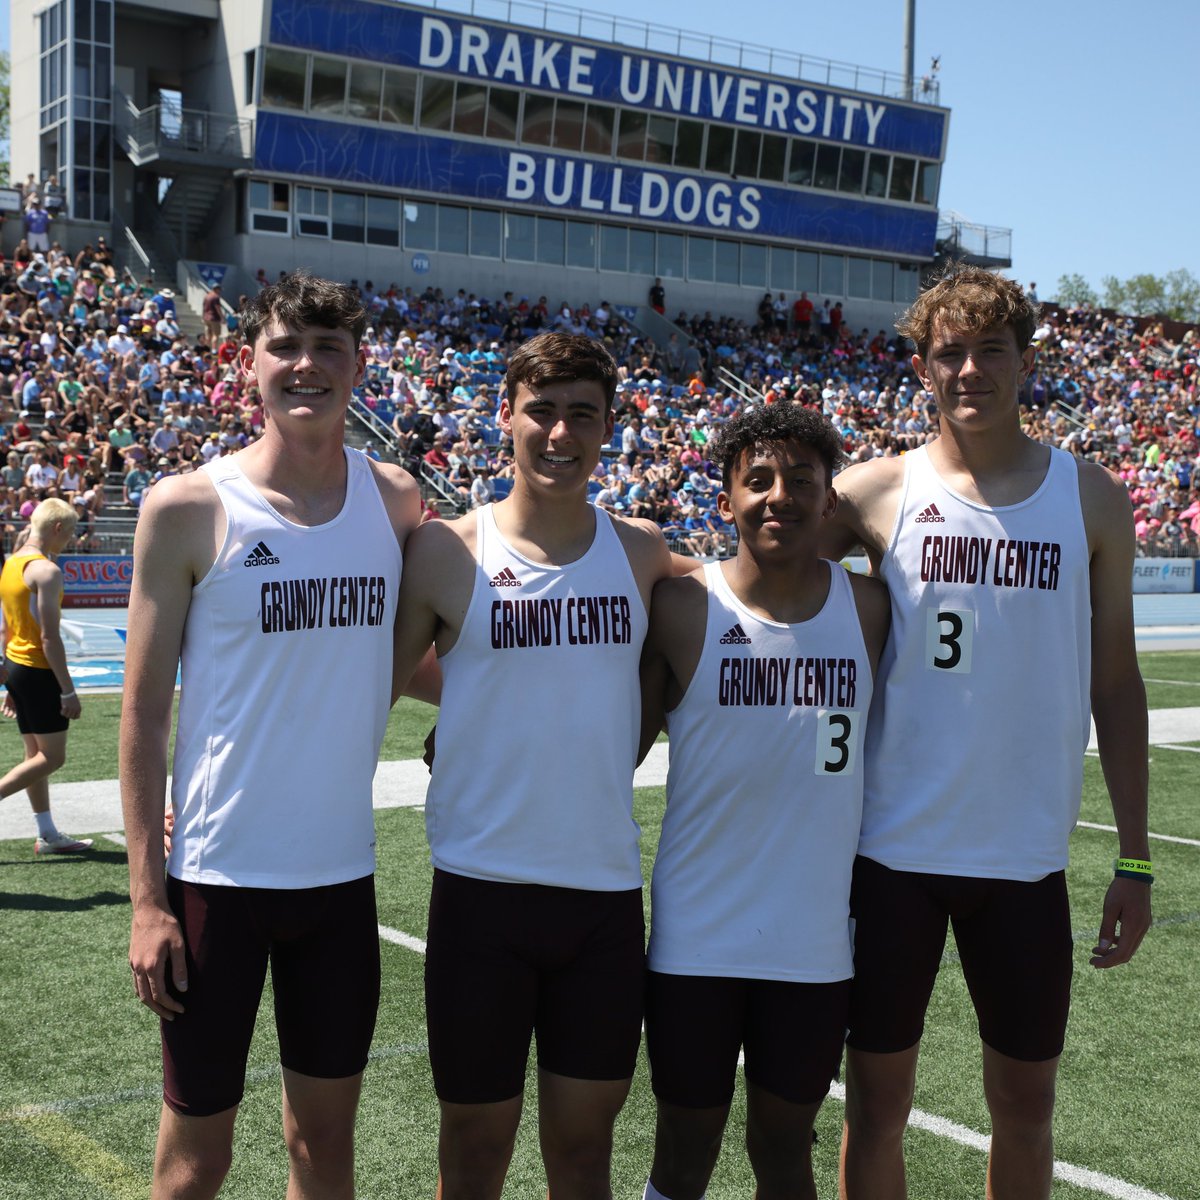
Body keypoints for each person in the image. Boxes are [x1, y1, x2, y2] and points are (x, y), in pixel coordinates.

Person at [821, 265, 1150, 1199]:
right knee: (877, 1108)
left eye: (989, 351)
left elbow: (1117, 684)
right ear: (922, 369)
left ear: (1023, 361)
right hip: (892, 853)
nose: (970, 370)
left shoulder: (1090, 498)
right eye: (949, 354)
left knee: (1025, 1108)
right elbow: (764, 595)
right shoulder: (874, 492)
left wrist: (1136, 857)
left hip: (1025, 857)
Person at [120, 271, 424, 1200]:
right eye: (285, 346)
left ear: (358, 366)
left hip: (339, 885)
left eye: (328, 348)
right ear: (248, 365)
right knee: (192, 1163)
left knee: (322, 1147)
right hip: (216, 882)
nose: (306, 366)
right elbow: (143, 712)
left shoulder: (397, 502)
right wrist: (145, 900)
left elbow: (418, 657)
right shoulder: (187, 507)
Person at [391, 331, 680, 1200]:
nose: (560, 433)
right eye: (541, 412)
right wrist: (474, 712)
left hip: (600, 898)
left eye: (582, 415)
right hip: (482, 894)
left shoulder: (641, 553)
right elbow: (376, 681)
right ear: (505, 416)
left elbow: (738, 602)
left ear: (610, 428)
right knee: (473, 1154)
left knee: (584, 1155)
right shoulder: (448, 550)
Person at [638, 405, 889, 1200]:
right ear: (726, 498)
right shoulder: (683, 609)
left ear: (828, 502)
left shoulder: (872, 612)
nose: (778, 496)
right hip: (696, 936)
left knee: (785, 1153)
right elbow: (607, 743)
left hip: (812, 942)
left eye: (800, 481)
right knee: (683, 1153)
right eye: (758, 481)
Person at [0, 499, 89, 855]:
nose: (69, 541)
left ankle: (47, 833)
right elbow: (50, 639)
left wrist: (9, 681)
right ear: (57, 529)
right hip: (37, 670)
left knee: (34, 756)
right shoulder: (46, 571)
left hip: (18, 668)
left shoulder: (12, 563)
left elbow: (5, 630)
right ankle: (47, 832)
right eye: (69, 533)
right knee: (52, 758)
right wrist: (68, 691)